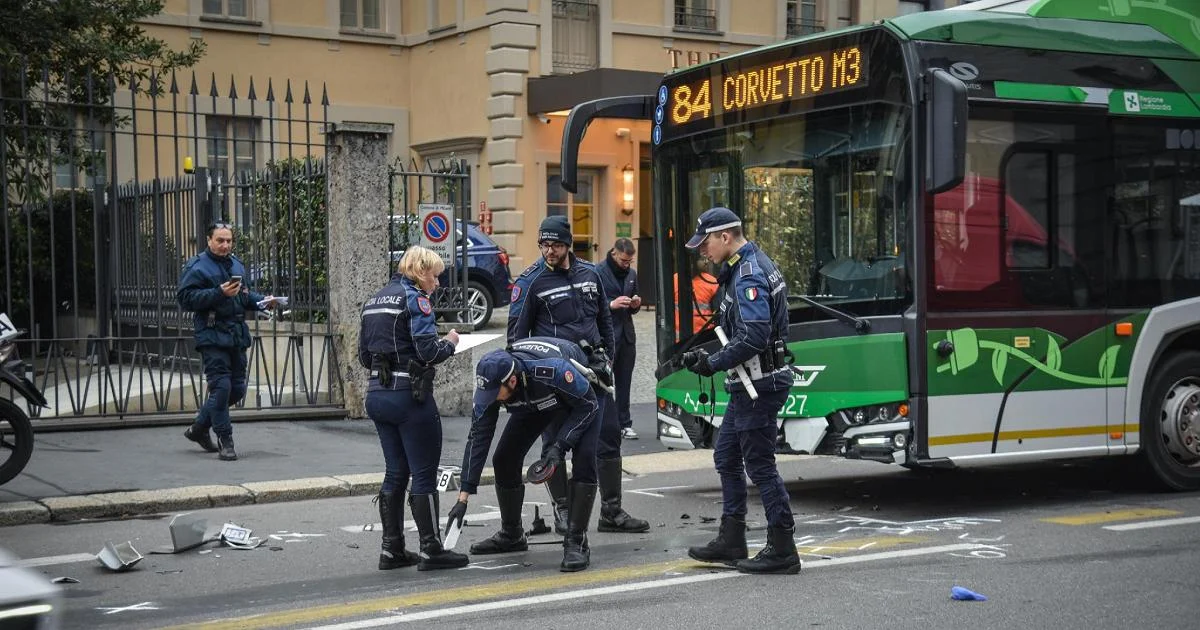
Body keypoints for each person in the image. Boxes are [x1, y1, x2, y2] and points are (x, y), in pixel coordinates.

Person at [678, 206, 801, 575]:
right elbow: (744, 333)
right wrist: (710, 353)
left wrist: (712, 363)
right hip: (748, 382)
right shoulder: (746, 266)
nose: (703, 250)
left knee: (760, 465)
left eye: (706, 242)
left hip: (759, 385)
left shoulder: (747, 273)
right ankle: (732, 538)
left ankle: (783, 548)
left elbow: (754, 335)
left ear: (726, 237)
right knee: (727, 455)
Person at [508, 215, 649, 536]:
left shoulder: (590, 274)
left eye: (555, 244)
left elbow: (603, 320)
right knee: (555, 443)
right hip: (554, 379)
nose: (549, 251)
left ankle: (611, 512)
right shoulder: (530, 281)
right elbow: (516, 339)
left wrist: (608, 361)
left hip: (595, 374)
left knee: (609, 437)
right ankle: (563, 511)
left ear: (569, 244)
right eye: (543, 245)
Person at [357, 245, 469, 572]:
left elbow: (365, 357)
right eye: (434, 276)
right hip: (410, 395)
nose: (436, 284)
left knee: (395, 471)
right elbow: (428, 352)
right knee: (423, 473)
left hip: (378, 394)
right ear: (420, 272)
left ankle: (391, 549)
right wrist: (449, 342)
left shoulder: (374, 300)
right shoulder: (415, 298)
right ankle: (432, 548)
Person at [447, 338, 601, 571]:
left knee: (585, 460)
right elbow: (477, 438)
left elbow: (588, 406)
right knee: (504, 459)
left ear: (512, 380)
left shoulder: (552, 370)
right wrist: (463, 497)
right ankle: (512, 534)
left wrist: (560, 446)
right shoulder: (492, 387)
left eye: (493, 394)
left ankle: (576, 542)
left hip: (579, 399)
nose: (489, 400)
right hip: (534, 403)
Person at [177, 221, 277, 462]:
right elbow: (185, 298)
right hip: (211, 334)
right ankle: (226, 440)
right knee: (221, 388)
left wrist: (263, 301)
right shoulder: (197, 266)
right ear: (209, 240)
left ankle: (199, 428)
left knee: (238, 389)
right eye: (220, 240)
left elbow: (243, 296)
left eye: (229, 241)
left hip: (235, 334)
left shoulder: (236, 264)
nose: (225, 245)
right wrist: (218, 293)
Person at [596, 238, 641, 440]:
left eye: (630, 261)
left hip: (627, 336)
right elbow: (591, 304)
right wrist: (611, 304)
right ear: (614, 253)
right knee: (605, 383)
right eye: (624, 260)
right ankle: (606, 424)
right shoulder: (598, 272)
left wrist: (635, 304)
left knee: (625, 382)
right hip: (606, 336)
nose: (627, 264)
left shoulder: (632, 274)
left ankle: (625, 423)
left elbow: (636, 303)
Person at [673, 257, 719, 335]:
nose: (706, 262)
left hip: (682, 335)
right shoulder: (713, 282)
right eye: (703, 259)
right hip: (702, 336)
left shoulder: (675, 278)